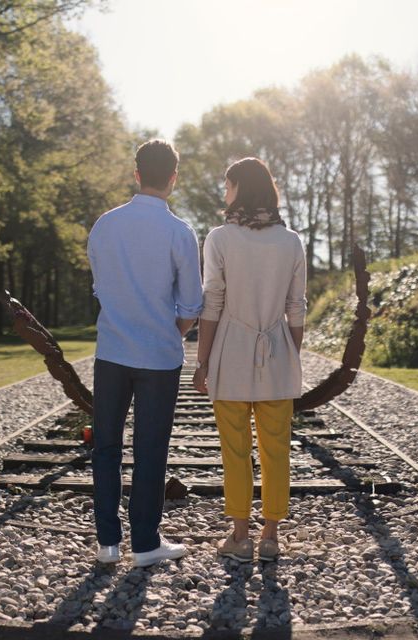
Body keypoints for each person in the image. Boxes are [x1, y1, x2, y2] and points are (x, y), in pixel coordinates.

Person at [87, 139, 203, 567]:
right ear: (173, 178)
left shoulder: (105, 225)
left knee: (107, 447)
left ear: (136, 174)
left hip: (112, 351)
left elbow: (100, 287)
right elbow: (191, 304)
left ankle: (107, 543)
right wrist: (166, 331)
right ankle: (146, 544)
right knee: (151, 449)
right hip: (159, 357)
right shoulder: (179, 232)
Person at [192, 157, 306, 563]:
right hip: (277, 353)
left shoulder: (219, 238)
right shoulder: (291, 241)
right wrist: (293, 354)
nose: (225, 194)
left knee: (235, 450)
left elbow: (212, 305)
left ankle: (239, 536)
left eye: (227, 186)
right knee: (277, 449)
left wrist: (202, 362)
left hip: (230, 355)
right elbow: (297, 307)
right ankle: (271, 536)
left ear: (239, 186)